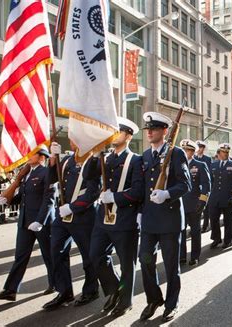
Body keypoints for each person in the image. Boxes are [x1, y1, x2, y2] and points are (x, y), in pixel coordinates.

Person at [84, 118, 144, 317]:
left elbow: (137, 191)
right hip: (104, 219)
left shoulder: (135, 160)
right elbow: (88, 176)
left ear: (127, 136)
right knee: (95, 255)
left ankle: (125, 301)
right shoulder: (106, 158)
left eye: (118, 132)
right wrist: (94, 155)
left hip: (125, 219)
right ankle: (114, 289)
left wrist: (116, 197)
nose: (113, 135)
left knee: (127, 263)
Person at [139, 112, 191, 322]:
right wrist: (140, 212)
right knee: (145, 260)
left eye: (154, 129)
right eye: (148, 129)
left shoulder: (176, 153)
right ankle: (154, 299)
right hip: (150, 219)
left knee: (170, 265)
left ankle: (171, 303)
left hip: (169, 219)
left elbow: (185, 185)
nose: (149, 132)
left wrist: (167, 194)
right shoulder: (145, 155)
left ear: (165, 131)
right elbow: (143, 188)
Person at [42, 139, 101, 310]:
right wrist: (53, 159)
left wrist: (73, 208)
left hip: (83, 215)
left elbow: (93, 192)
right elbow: (51, 179)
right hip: (63, 215)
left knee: (88, 256)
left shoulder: (92, 162)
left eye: (76, 137)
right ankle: (64, 291)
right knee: (56, 251)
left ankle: (91, 290)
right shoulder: (67, 160)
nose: (71, 140)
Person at [0, 145, 56, 301]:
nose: (29, 156)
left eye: (33, 154)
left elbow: (49, 199)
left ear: (42, 157)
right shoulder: (26, 174)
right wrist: (7, 200)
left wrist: (40, 221)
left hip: (41, 222)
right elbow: (22, 197)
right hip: (25, 221)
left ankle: (55, 285)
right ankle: (10, 290)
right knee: (20, 256)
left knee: (49, 255)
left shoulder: (46, 173)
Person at [180, 139, 211, 266]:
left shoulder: (200, 165)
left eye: (187, 150)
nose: (184, 152)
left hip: (194, 204)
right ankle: (181, 256)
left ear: (192, 152)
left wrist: (203, 201)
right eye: (183, 150)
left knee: (195, 232)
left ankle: (195, 256)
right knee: (180, 231)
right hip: (180, 204)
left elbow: (206, 184)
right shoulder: (177, 165)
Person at [208, 143, 232, 249]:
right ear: (219, 153)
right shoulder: (213, 165)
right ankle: (216, 238)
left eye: (227, 152)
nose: (226, 154)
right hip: (215, 198)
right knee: (213, 219)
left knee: (228, 221)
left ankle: (227, 240)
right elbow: (210, 182)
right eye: (223, 152)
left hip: (228, 198)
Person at [195, 140, 213, 233]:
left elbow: (209, 174)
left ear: (203, 148)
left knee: (205, 208)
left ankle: (205, 225)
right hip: (195, 187)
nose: (199, 149)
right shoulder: (193, 157)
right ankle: (195, 226)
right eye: (198, 147)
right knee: (195, 208)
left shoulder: (208, 159)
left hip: (204, 186)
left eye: (201, 147)